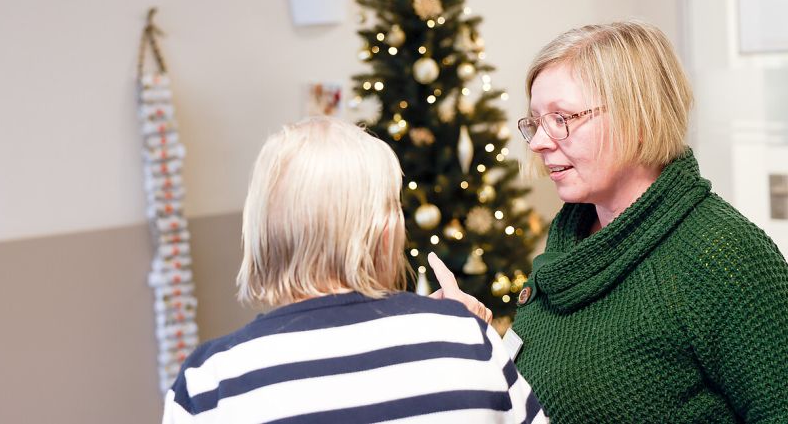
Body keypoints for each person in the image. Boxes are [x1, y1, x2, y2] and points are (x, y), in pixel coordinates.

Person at [502, 21, 788, 422]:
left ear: (639, 121)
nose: (539, 142)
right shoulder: (573, 237)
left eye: (561, 118)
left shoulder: (723, 254)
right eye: (536, 122)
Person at [162, 117, 546, 423]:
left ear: (260, 232)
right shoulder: (467, 340)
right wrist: (460, 332)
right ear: (386, 231)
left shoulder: (210, 384)